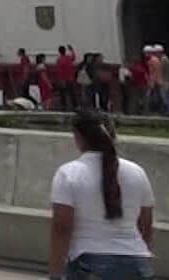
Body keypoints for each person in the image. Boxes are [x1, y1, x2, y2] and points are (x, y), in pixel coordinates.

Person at [48, 111, 156, 279]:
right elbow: (146, 225)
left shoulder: (68, 173)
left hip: (89, 265)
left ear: (78, 137)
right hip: (138, 263)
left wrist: (55, 274)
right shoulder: (137, 172)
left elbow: (61, 227)